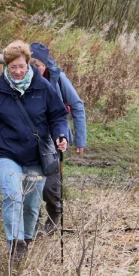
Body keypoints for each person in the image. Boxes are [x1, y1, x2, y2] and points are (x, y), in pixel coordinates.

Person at [0, 41, 69, 261]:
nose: (17, 71)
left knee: (31, 204)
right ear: (6, 66)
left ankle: (25, 240)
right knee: (12, 195)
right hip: (6, 153)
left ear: (28, 64)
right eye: (12, 67)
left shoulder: (42, 87)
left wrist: (60, 136)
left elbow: (58, 116)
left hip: (37, 155)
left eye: (21, 66)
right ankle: (15, 244)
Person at [30, 42, 87, 234]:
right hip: (32, 136)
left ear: (45, 65)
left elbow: (77, 106)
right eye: (30, 64)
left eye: (37, 65)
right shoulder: (22, 77)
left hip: (56, 136)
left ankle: (54, 213)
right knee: (32, 180)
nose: (33, 69)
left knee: (50, 185)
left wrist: (80, 139)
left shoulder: (58, 78)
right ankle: (33, 223)